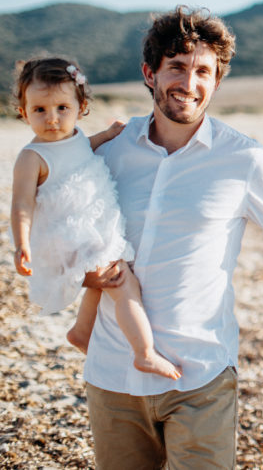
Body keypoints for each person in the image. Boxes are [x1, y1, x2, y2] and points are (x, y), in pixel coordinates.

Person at [81, 5, 263, 469]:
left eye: (203, 71)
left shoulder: (244, 159)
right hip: (113, 374)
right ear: (150, 73)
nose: (189, 83)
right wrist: (85, 275)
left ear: (217, 81)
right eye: (177, 68)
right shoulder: (110, 149)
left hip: (201, 375)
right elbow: (57, 226)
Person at [10, 57, 181, 380]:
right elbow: (21, 205)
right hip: (68, 236)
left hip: (91, 228)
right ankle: (144, 354)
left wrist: (106, 135)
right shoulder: (32, 157)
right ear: (23, 112)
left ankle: (81, 331)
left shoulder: (72, 137)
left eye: (62, 107)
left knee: (106, 280)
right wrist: (21, 245)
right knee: (124, 283)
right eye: (40, 110)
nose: (52, 119)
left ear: (80, 106)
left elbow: (80, 151)